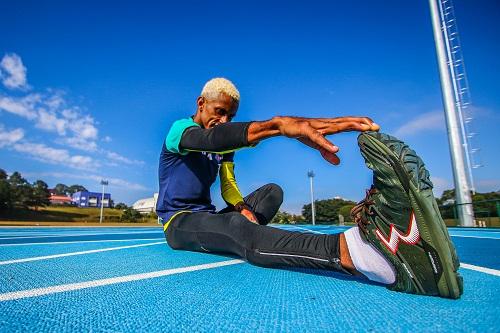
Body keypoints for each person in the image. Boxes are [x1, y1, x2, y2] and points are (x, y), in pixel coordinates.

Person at [157, 78, 463, 299]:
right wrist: (278, 126)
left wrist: (241, 206)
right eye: (219, 112)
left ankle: (245, 230)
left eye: (230, 116)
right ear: (201, 104)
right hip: (179, 222)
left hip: (209, 214)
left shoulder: (225, 150)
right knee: (237, 229)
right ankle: (362, 254)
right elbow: (209, 141)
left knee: (271, 192)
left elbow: (228, 185)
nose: (223, 120)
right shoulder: (180, 131)